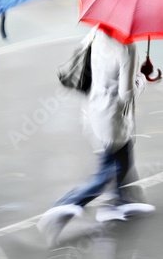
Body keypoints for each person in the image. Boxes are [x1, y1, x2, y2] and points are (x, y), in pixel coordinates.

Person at [37, 24, 155, 245]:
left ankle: (118, 203)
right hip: (113, 119)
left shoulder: (97, 31)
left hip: (93, 110)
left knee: (123, 159)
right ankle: (61, 207)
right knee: (104, 175)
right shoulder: (127, 47)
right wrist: (141, 79)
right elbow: (126, 94)